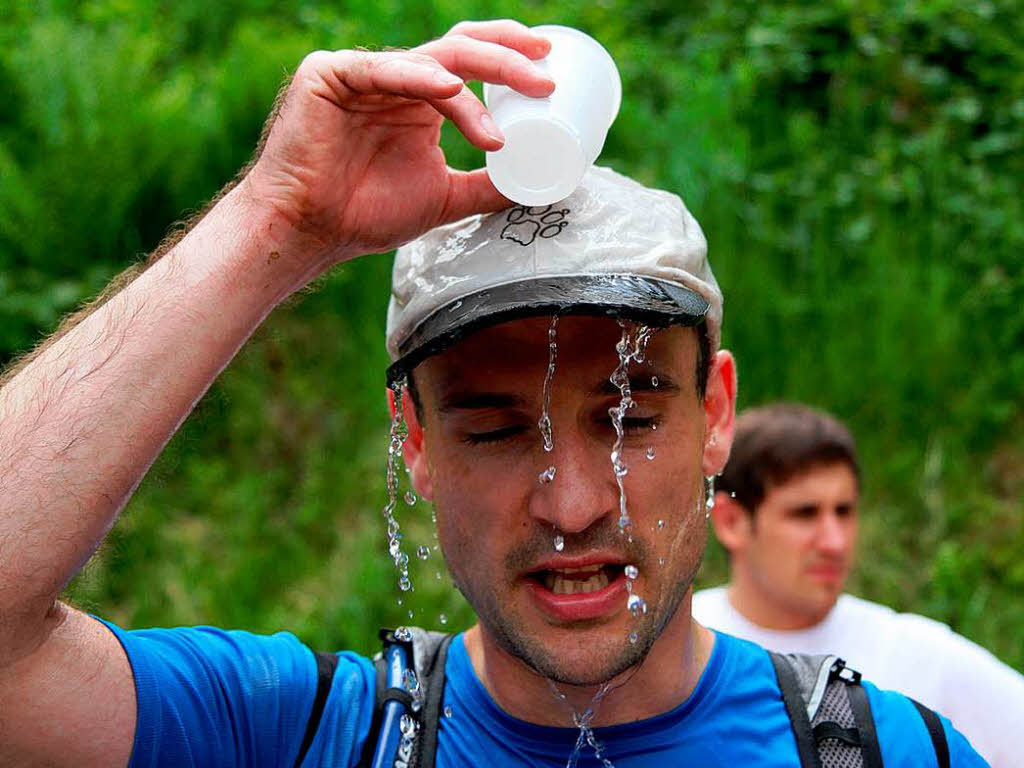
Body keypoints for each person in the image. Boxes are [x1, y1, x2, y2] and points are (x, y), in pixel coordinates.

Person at [0, 20, 987, 768]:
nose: (571, 505)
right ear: (414, 442)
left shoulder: (889, 751)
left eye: (629, 417)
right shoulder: (306, 736)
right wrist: (277, 222)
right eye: (494, 430)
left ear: (717, 413)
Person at [694, 402, 1024, 767]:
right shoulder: (674, 651)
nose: (835, 541)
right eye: (805, 514)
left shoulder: (922, 657)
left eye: (844, 511)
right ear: (731, 522)